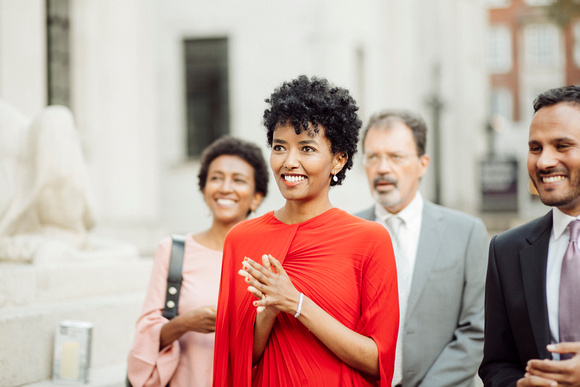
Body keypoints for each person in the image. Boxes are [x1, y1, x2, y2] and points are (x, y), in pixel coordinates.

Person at [213, 75, 399, 386]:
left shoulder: (370, 240)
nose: (289, 161)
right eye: (279, 147)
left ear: (338, 160)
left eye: (307, 148)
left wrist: (297, 304)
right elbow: (236, 362)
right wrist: (269, 311)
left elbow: (377, 362)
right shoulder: (241, 240)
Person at [355, 110, 489, 387]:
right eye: (373, 157)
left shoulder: (466, 233)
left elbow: (476, 330)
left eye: (396, 156)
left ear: (423, 163)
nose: (382, 168)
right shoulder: (346, 232)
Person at [126, 136, 269, 387]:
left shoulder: (267, 261)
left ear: (256, 197)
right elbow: (145, 336)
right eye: (216, 178)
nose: (225, 187)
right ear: (204, 190)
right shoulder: (173, 250)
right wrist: (185, 323)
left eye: (238, 180)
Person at [479, 85, 580, 387]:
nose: (544, 162)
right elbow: (497, 364)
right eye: (535, 148)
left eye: (562, 145)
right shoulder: (505, 250)